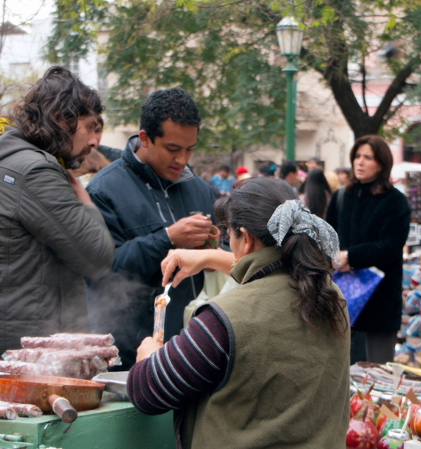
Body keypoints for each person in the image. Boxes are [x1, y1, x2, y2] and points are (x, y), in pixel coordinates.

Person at [127, 178, 350, 448]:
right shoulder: (328, 294)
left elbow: (148, 392)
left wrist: (148, 356)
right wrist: (208, 258)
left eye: (228, 237)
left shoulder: (225, 317)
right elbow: (270, 267)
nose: (227, 245)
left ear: (245, 238)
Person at [86, 88, 220, 368]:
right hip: (131, 352)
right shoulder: (103, 189)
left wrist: (212, 251)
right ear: (145, 138)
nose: (182, 160)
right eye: (172, 149)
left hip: (195, 348)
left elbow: (225, 262)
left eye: (189, 149)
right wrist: (168, 238)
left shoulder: (201, 190)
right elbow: (102, 271)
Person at [0, 66, 114, 352]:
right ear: (60, 119)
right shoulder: (36, 170)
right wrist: (87, 205)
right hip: (31, 353)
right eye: (89, 127)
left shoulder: (11, 160)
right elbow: (97, 256)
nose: (93, 140)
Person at [326, 135, 410, 364]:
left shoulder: (395, 201)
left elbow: (391, 247)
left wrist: (351, 256)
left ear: (381, 164)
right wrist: (332, 256)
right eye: (357, 156)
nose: (360, 162)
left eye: (368, 158)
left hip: (379, 302)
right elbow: (326, 237)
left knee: (374, 376)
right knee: (340, 377)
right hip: (342, 300)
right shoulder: (342, 196)